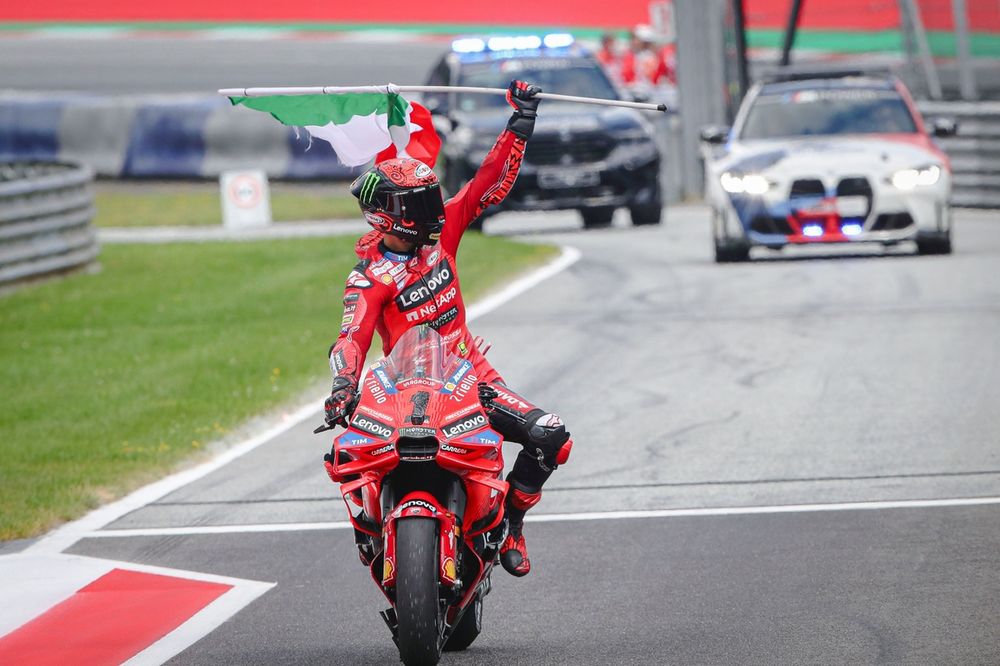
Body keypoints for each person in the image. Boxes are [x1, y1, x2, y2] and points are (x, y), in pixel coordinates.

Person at [323, 80, 573, 578]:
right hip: (402, 389)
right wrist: (343, 386)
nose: (435, 213)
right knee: (344, 454)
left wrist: (520, 122)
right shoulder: (369, 278)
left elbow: (487, 182)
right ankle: (370, 532)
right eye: (420, 205)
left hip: (469, 378)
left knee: (552, 437)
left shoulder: (444, 235)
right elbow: (351, 338)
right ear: (389, 216)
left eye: (432, 199)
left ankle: (512, 525)